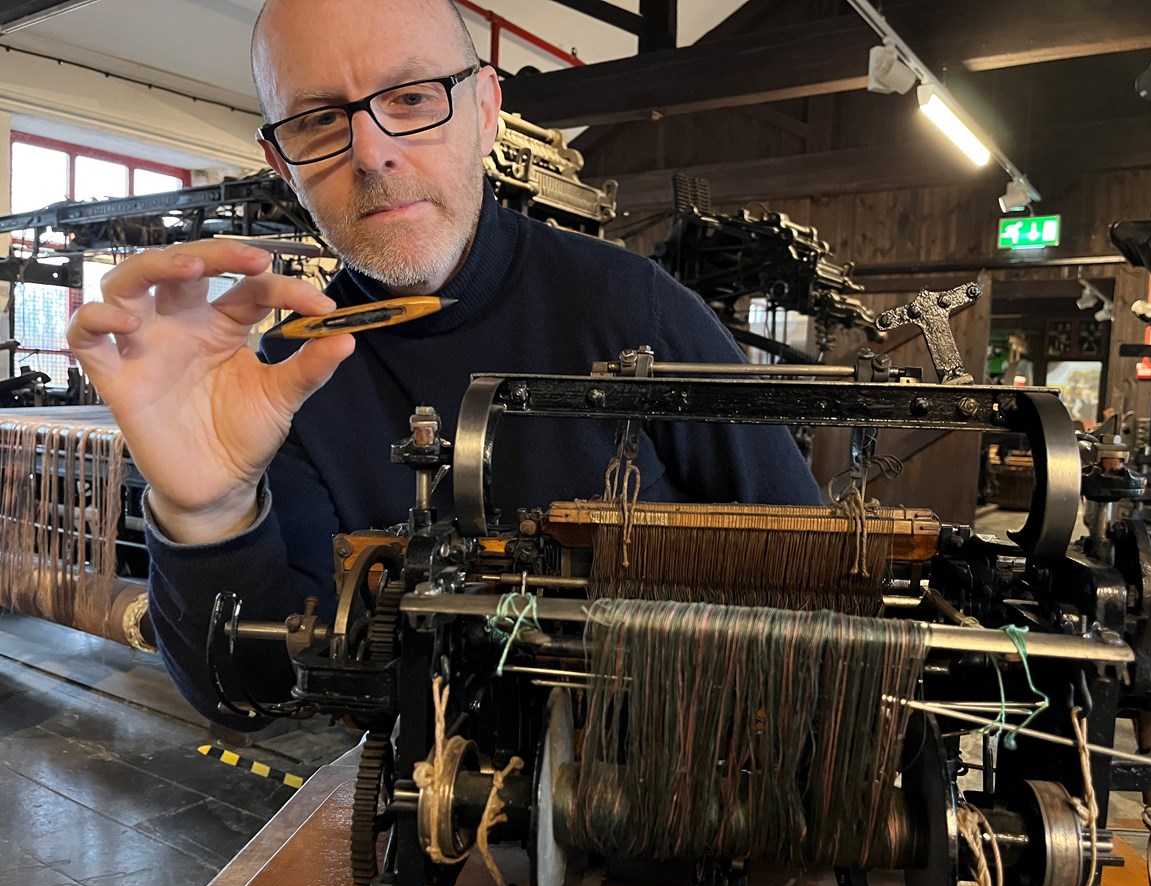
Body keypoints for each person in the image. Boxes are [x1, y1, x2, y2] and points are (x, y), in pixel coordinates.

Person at [67, 0, 821, 730]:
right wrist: (206, 514)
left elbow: (819, 579)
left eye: (412, 96)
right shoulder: (287, 380)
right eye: (320, 119)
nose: (371, 151)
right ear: (282, 163)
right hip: (433, 813)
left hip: (678, 780)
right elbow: (254, 693)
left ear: (485, 112)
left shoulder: (638, 310)